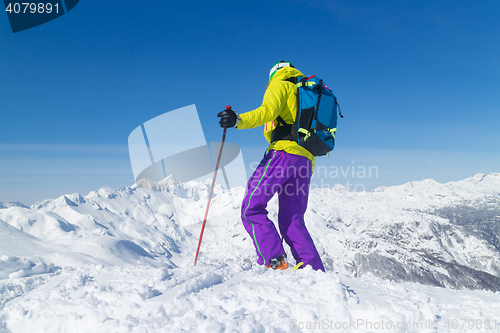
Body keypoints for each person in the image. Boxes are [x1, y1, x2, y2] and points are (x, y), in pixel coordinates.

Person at [217, 61, 325, 272]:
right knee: (292, 218)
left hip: (282, 155)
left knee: (252, 207)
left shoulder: (280, 84)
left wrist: (237, 120)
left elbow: (267, 111)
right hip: (306, 161)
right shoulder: (305, 92)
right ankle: (314, 271)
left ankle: (275, 261)